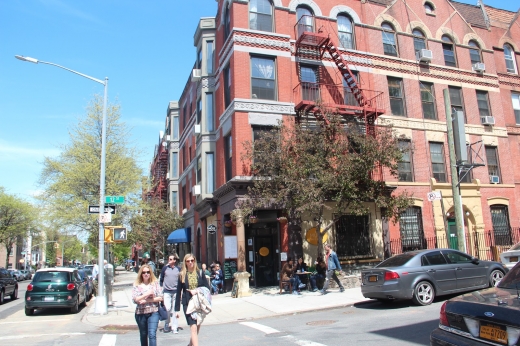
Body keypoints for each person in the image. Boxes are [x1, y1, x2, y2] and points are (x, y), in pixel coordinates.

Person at [175, 254, 210, 346]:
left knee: (197, 327)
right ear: (185, 263)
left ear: (194, 261)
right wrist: (176, 310)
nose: (190, 262)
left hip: (198, 303)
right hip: (188, 304)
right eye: (188, 261)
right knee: (193, 328)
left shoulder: (200, 273)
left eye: (192, 260)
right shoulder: (182, 275)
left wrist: (197, 291)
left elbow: (207, 288)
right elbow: (178, 292)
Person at [132, 264, 163, 346]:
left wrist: (146, 300)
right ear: (141, 274)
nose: (146, 274)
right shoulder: (137, 284)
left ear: (151, 273)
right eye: (144, 272)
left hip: (153, 312)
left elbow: (160, 298)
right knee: (143, 334)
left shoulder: (155, 283)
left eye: (148, 272)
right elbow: (135, 299)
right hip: (140, 312)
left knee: (152, 334)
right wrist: (147, 293)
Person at [159, 254, 180, 334]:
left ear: (175, 260)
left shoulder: (178, 269)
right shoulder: (165, 268)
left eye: (171, 259)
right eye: (169, 259)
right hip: (166, 292)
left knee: (175, 311)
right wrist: (161, 288)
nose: (170, 260)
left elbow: (181, 281)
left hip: (175, 292)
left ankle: (174, 327)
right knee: (167, 309)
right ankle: (167, 324)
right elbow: (161, 279)